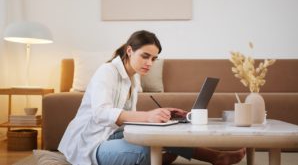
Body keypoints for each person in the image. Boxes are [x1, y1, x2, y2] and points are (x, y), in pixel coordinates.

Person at [58, 30, 246, 165]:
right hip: (91, 144)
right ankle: (160, 158)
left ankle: (215, 157)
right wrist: (148, 116)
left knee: (166, 133)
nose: (150, 63)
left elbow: (125, 118)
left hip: (110, 134)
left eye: (153, 59)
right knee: (149, 151)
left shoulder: (134, 77)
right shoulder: (107, 71)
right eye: (145, 56)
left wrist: (160, 115)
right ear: (130, 50)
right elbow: (101, 113)